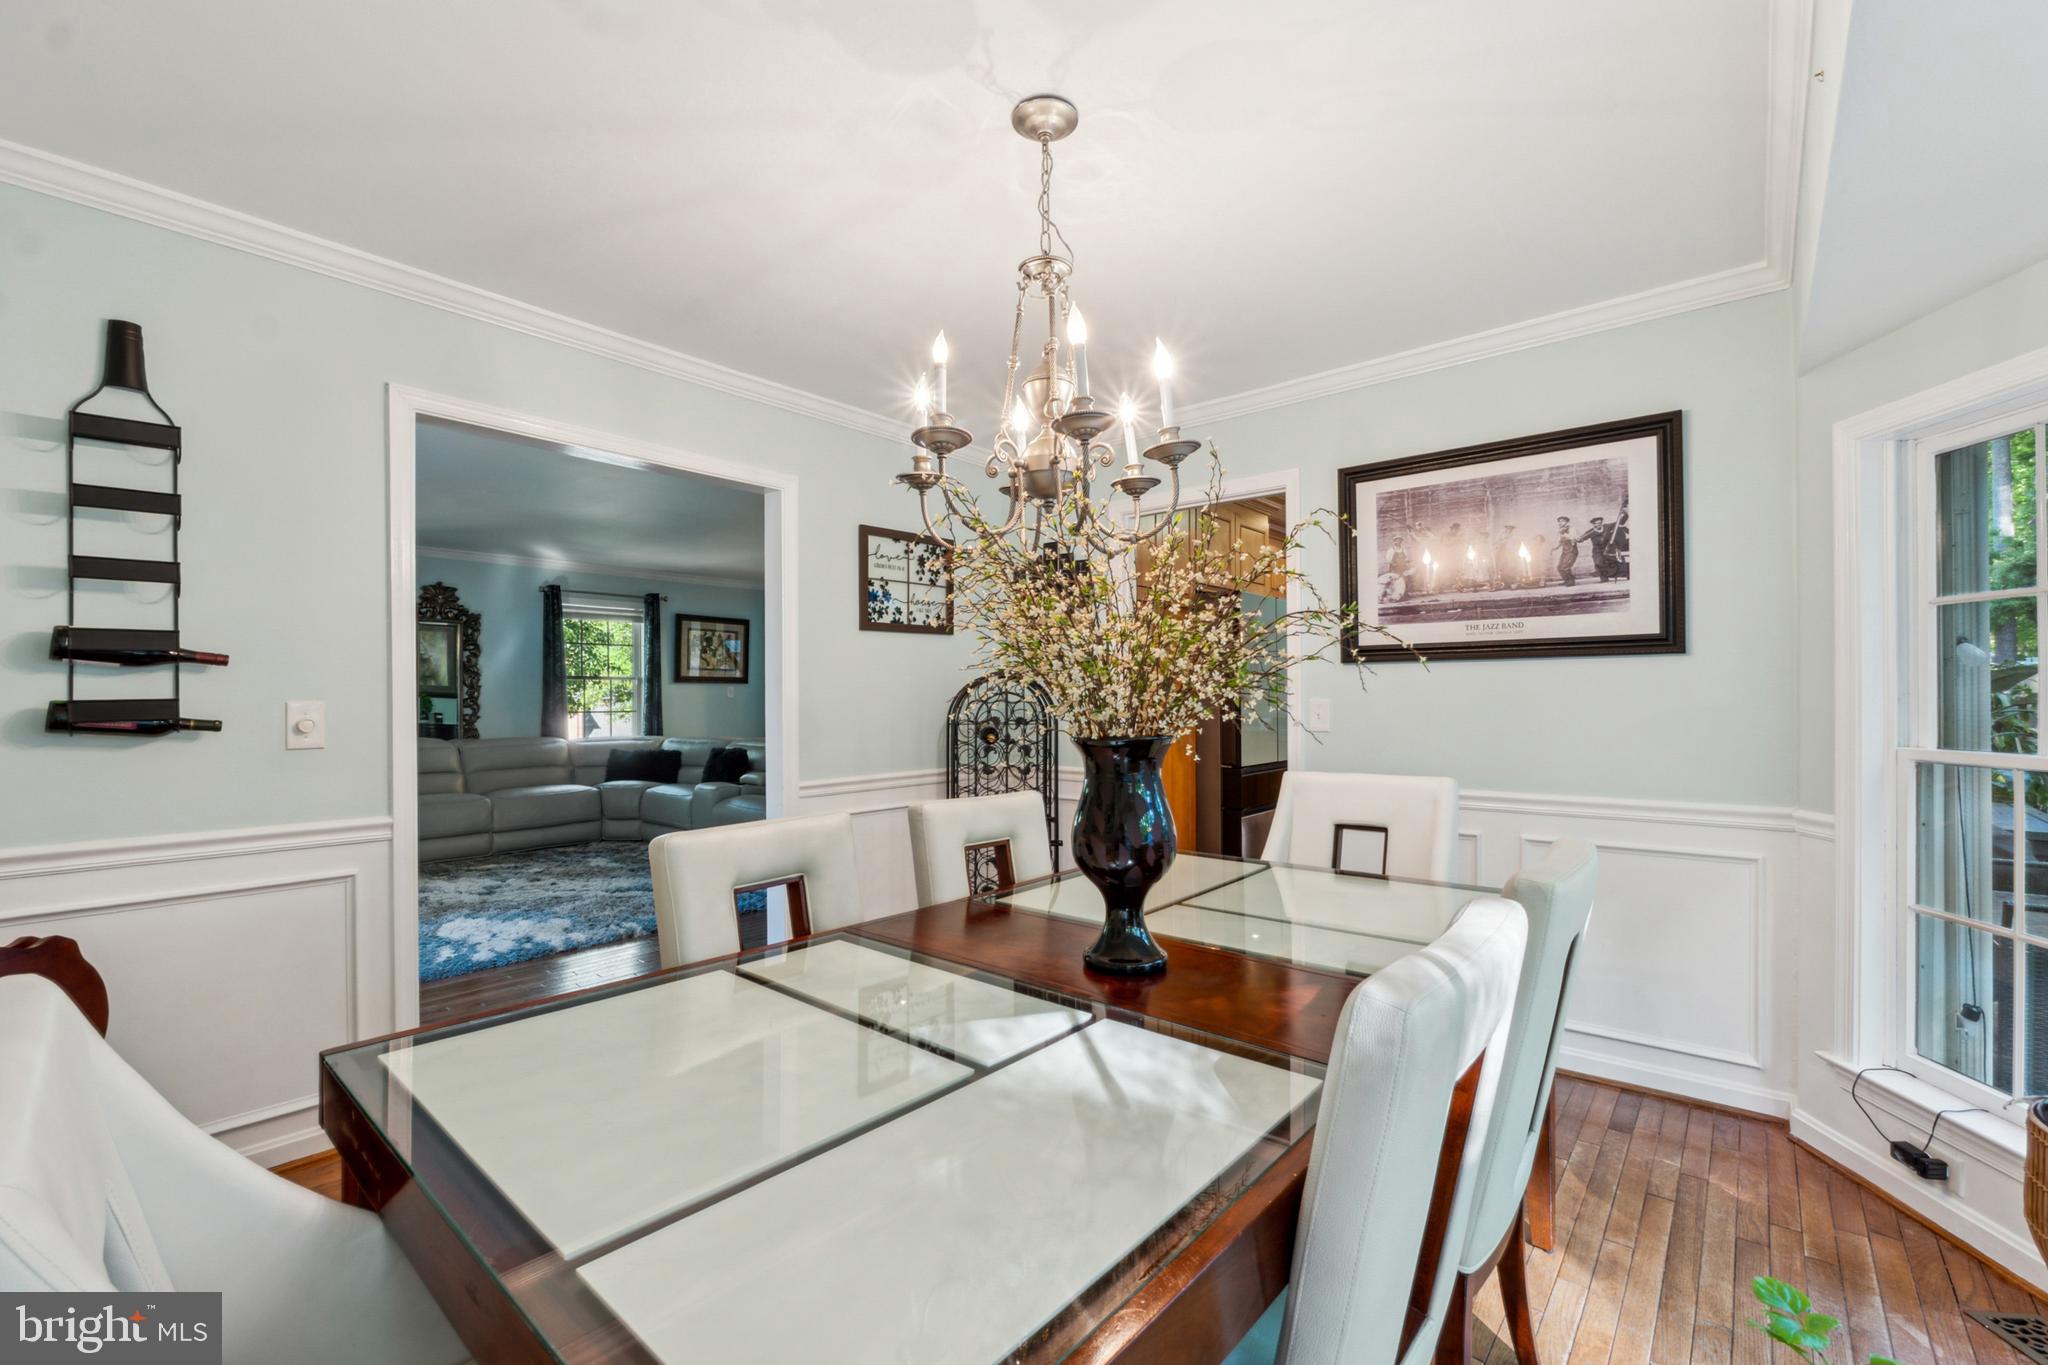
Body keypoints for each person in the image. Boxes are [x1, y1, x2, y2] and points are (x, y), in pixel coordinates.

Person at [1554, 516, 1580, 587]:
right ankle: (1566, 580)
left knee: (1565, 566)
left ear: (1567, 522)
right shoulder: (1561, 530)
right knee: (1559, 567)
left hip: (1572, 551)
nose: (1560, 523)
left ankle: (1571, 582)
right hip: (1565, 551)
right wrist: (1554, 548)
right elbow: (1560, 542)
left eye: (1562, 521)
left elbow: (1574, 538)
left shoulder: (1572, 529)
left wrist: (1563, 534)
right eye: (1559, 521)